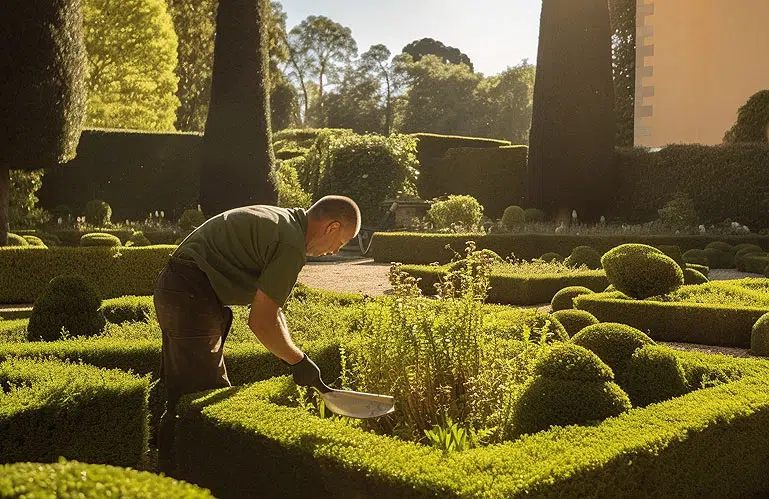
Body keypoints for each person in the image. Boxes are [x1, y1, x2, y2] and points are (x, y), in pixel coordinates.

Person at [153, 195, 361, 471]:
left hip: (183, 288)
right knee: (207, 399)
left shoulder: (285, 223)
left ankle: (167, 467)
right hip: (190, 292)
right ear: (332, 227)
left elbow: (271, 311)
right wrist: (298, 361)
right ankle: (193, 476)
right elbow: (261, 321)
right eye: (342, 242)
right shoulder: (290, 244)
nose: (335, 250)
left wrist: (295, 356)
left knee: (185, 391)